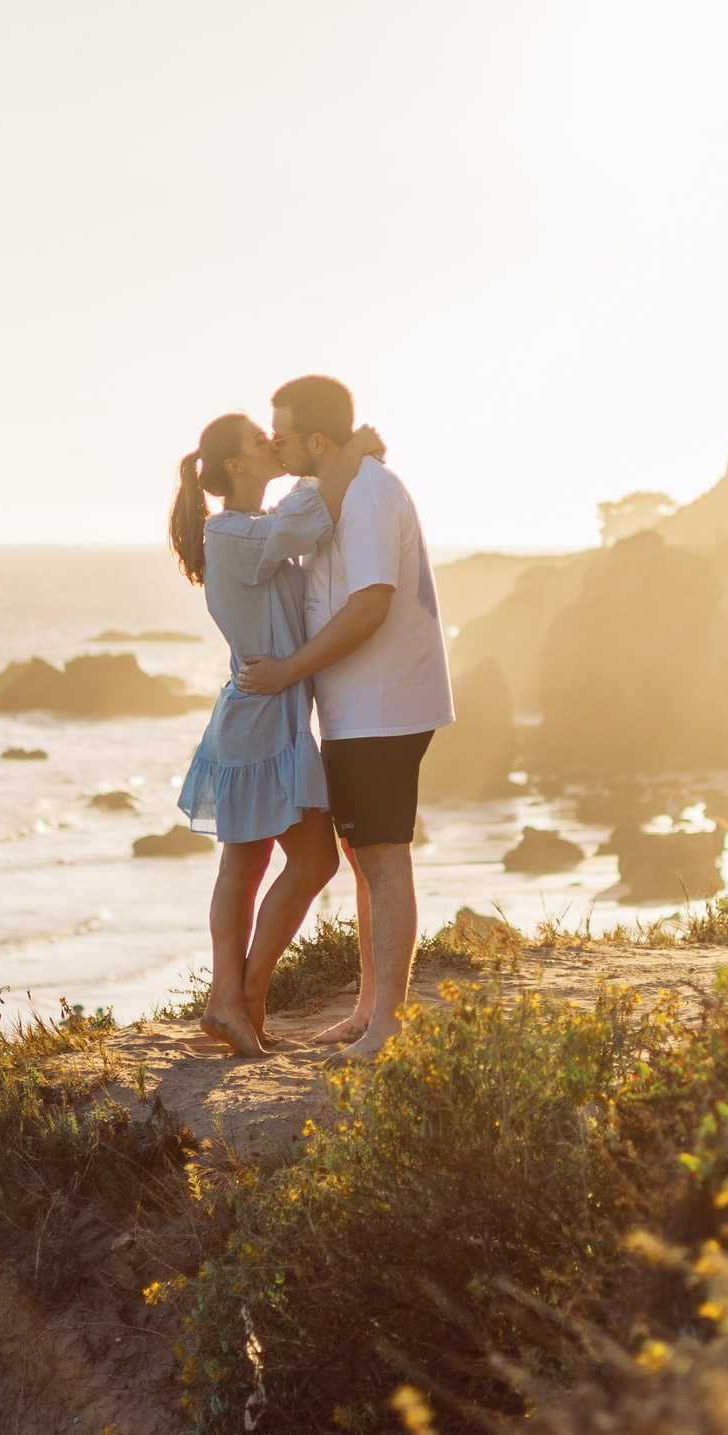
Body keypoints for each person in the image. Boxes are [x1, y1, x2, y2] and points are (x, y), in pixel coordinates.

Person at [236, 375, 453, 1062]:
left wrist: (288, 669)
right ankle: (369, 1008)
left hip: (384, 707)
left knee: (384, 858)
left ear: (318, 440)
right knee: (364, 858)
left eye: (283, 434)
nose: (275, 443)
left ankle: (389, 1022)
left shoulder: (365, 498)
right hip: (360, 707)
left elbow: (370, 606)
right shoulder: (333, 489)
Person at [168, 410, 382, 1058]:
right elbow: (310, 508)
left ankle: (230, 1002)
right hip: (260, 719)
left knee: (248, 860)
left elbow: (298, 520)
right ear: (236, 465)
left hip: (261, 715)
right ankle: (238, 998)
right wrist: (354, 451)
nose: (272, 443)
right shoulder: (233, 534)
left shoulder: (243, 531)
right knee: (309, 859)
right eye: (261, 442)